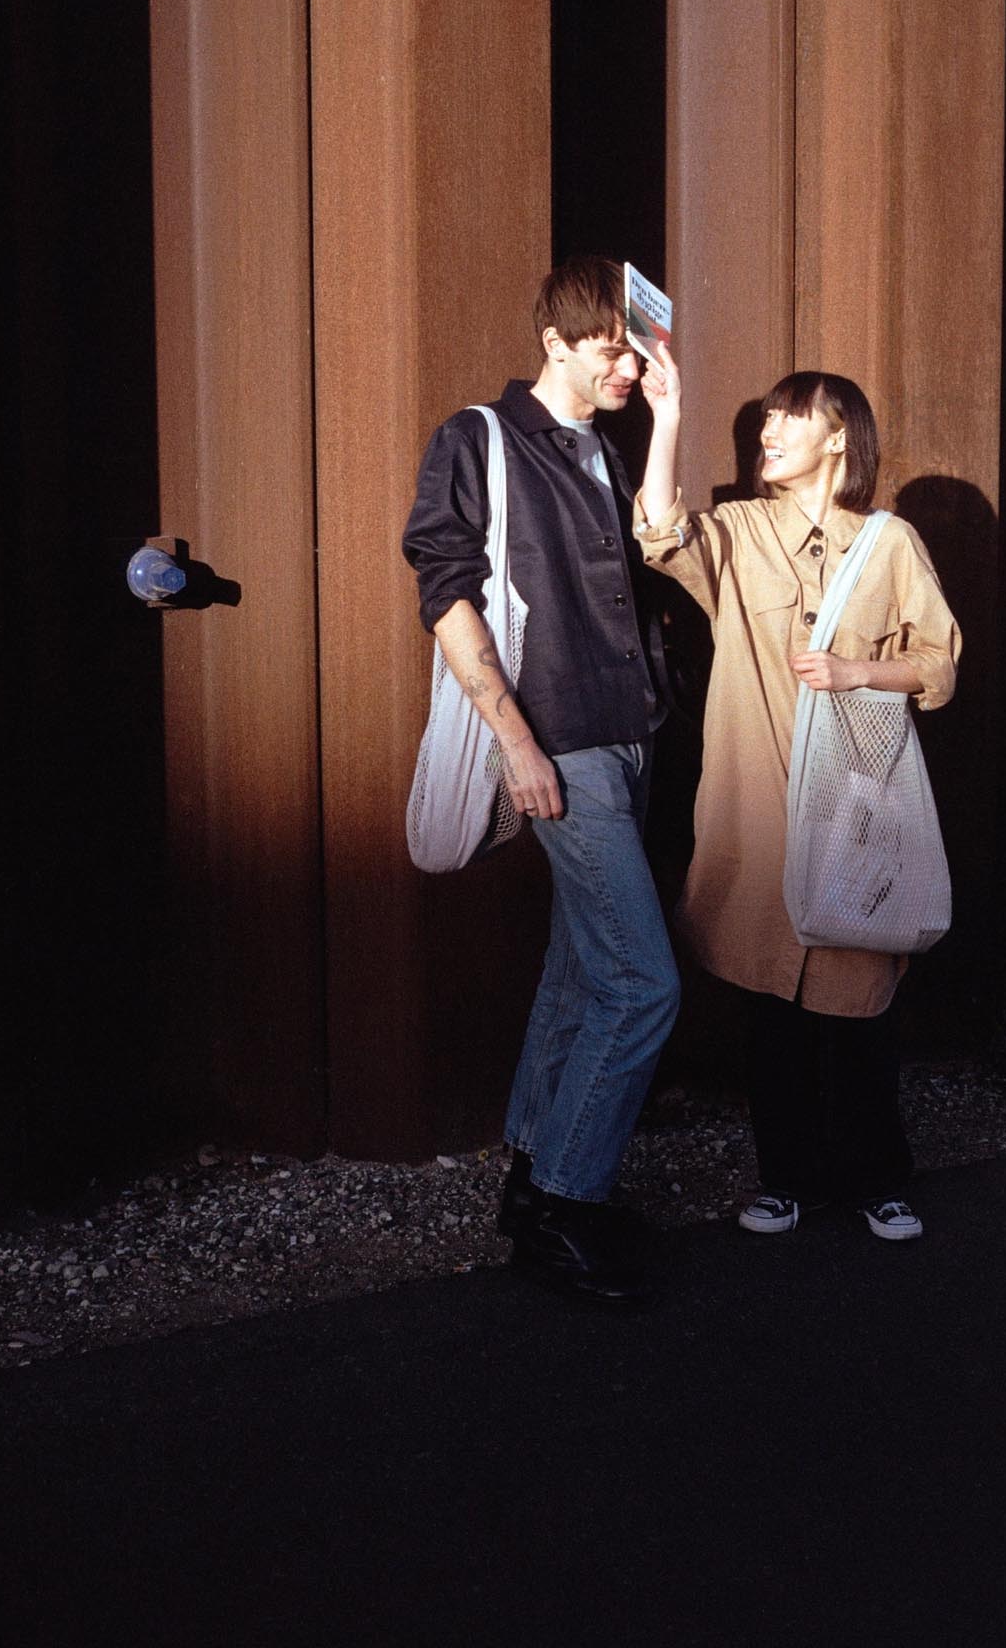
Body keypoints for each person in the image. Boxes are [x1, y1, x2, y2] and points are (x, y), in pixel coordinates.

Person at [634, 342, 959, 1241]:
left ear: (838, 439)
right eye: (766, 419)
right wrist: (665, 415)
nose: (768, 431)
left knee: (858, 1014)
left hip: (853, 815)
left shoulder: (890, 544)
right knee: (770, 1019)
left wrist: (857, 668)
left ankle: (877, 1180)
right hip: (756, 817)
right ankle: (787, 1179)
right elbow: (659, 533)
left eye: (789, 415)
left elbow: (938, 665)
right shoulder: (739, 531)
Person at [402, 257, 680, 1305]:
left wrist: (669, 413)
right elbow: (445, 588)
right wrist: (514, 738)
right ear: (556, 342)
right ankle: (567, 1201)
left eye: (637, 344)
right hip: (559, 738)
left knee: (582, 965)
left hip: (631, 734)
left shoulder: (606, 449)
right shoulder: (479, 435)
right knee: (641, 981)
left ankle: (532, 1170)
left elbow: (660, 544)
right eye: (611, 343)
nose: (628, 361)